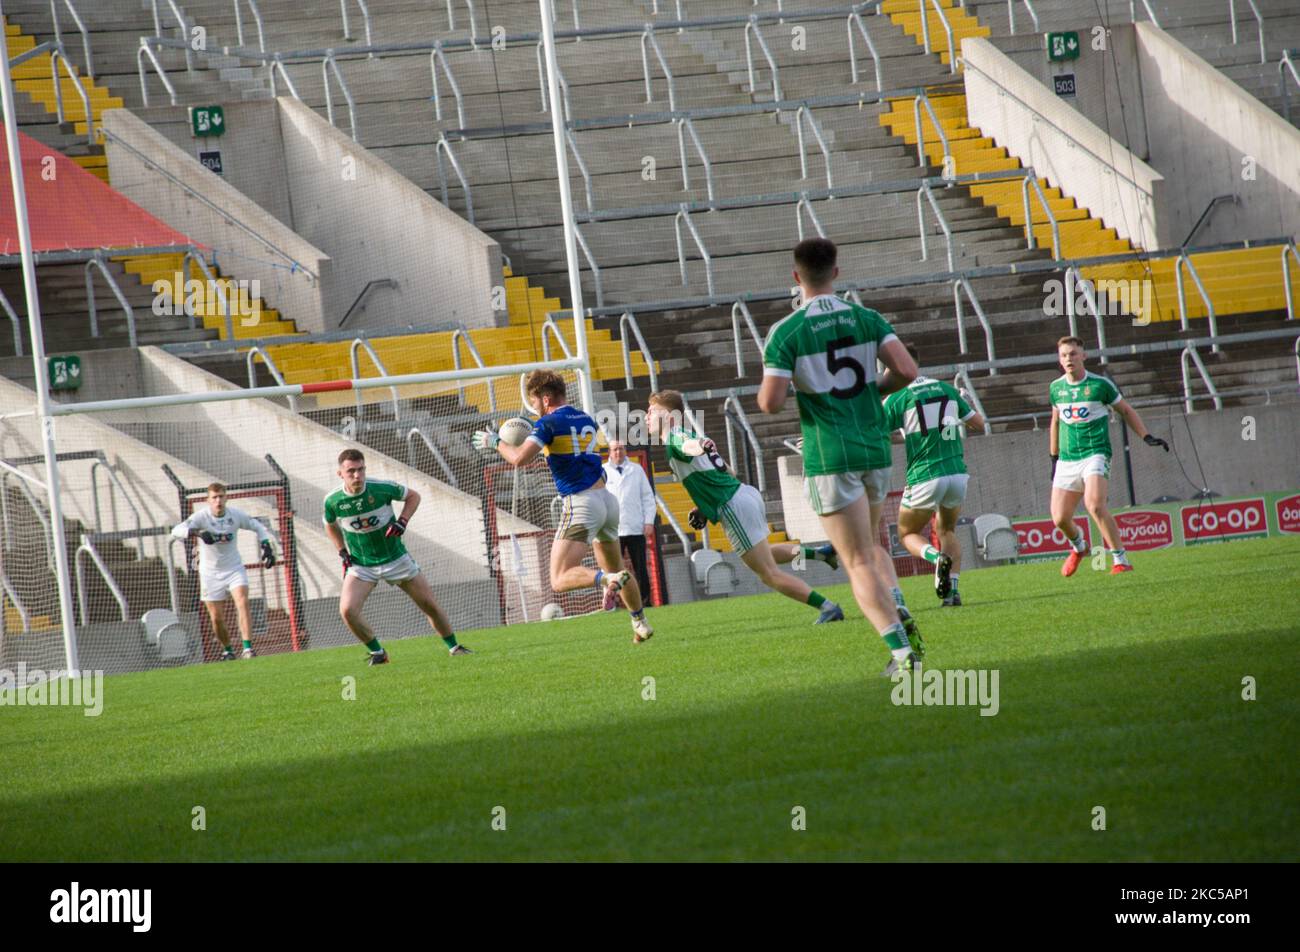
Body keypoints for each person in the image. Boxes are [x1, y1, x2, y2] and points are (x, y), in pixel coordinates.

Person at [757, 237, 923, 676]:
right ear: (836, 271)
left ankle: (903, 654)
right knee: (870, 548)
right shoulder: (866, 318)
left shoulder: (787, 332)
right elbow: (907, 371)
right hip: (873, 445)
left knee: (857, 561)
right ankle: (897, 607)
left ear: (796, 277)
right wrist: (872, 389)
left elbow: (770, 403)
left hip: (830, 453)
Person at [473, 370, 654, 644]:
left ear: (546, 399)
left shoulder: (547, 424)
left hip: (581, 503)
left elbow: (519, 459)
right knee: (620, 568)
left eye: (534, 403)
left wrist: (495, 442)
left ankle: (606, 580)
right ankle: (640, 623)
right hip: (607, 499)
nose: (534, 409)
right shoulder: (586, 418)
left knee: (559, 578)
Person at [647, 389, 844, 623]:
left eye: (652, 411)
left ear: (670, 417)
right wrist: (703, 506)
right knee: (765, 556)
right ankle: (820, 554)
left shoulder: (675, 436)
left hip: (733, 505)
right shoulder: (677, 436)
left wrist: (699, 445)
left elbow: (690, 445)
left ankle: (828, 607)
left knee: (768, 574)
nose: (647, 416)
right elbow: (726, 471)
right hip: (742, 495)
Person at [322, 448, 471, 665]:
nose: (357, 475)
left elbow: (413, 496)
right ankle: (378, 653)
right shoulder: (333, 500)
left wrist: (402, 521)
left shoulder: (381, 488)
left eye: (361, 469)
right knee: (347, 611)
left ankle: (454, 647)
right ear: (340, 474)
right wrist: (342, 551)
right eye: (351, 471)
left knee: (429, 604)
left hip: (396, 559)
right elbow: (329, 524)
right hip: (362, 565)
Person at [1050, 336, 1169, 577]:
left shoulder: (1100, 385)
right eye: (1064, 355)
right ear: (1059, 360)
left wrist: (1146, 436)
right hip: (1067, 458)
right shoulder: (1056, 388)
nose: (1069, 359)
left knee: (1094, 504)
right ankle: (1079, 547)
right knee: (1060, 518)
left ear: (1084, 356)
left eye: (1073, 353)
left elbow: (1125, 410)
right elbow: (1054, 423)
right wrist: (1053, 458)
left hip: (1095, 453)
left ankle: (1120, 560)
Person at [882, 342, 986, 606]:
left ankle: (936, 558)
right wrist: (967, 402)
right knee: (947, 530)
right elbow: (979, 424)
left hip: (925, 475)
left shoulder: (897, 396)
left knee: (907, 534)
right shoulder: (947, 389)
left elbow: (872, 431)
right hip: (956, 474)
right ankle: (953, 592)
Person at [171, 482, 276, 660]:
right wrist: (197, 533)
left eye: (221, 496)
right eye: (214, 497)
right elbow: (176, 530)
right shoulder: (201, 517)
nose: (218, 501)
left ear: (226, 497)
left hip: (234, 568)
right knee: (216, 617)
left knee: (242, 603)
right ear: (208, 500)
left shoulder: (235, 515)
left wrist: (266, 545)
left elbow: (257, 526)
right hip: (210, 573)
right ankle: (227, 650)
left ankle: (248, 649)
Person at [601, 440, 655, 611]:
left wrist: (649, 522)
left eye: (621, 449)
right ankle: (611, 604)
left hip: (635, 527)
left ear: (626, 451)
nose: (618, 452)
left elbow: (647, 497)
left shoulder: (637, 470)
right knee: (611, 569)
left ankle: (645, 603)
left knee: (640, 569)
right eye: (615, 449)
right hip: (612, 529)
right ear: (609, 452)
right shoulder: (603, 471)